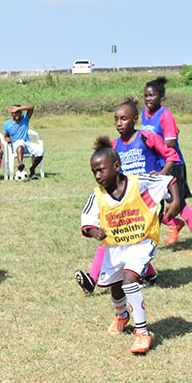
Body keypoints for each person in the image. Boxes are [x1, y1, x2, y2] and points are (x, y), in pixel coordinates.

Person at [80, 136, 179, 354]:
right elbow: (86, 220)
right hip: (115, 247)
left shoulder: (137, 183)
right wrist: (95, 231)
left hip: (142, 242)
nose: (97, 175)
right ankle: (122, 316)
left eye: (101, 170)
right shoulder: (98, 195)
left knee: (130, 281)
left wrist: (176, 201)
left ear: (116, 167)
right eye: (94, 171)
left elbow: (168, 181)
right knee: (116, 288)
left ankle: (142, 334)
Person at [75, 99, 180, 293]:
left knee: (129, 239)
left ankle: (93, 278)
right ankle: (148, 274)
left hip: (147, 200)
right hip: (125, 201)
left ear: (134, 119)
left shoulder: (147, 137)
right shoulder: (115, 146)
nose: (119, 123)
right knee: (123, 238)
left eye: (123, 118)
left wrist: (162, 174)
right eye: (116, 119)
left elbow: (171, 155)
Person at [142, 77, 192, 255]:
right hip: (156, 166)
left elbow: (170, 143)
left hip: (172, 165)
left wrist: (152, 143)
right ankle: (175, 224)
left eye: (152, 95)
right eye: (146, 95)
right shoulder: (145, 113)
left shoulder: (165, 115)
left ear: (162, 96)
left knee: (179, 204)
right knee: (151, 202)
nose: (148, 99)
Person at [3, 103, 43, 179]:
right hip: (16, 145)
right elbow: (6, 136)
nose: (16, 114)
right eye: (14, 112)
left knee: (40, 151)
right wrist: (7, 139)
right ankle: (20, 165)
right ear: (12, 114)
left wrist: (18, 108)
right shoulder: (6, 124)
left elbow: (32, 107)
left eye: (18, 112)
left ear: (21, 112)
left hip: (27, 143)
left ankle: (32, 169)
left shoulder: (25, 119)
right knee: (20, 142)